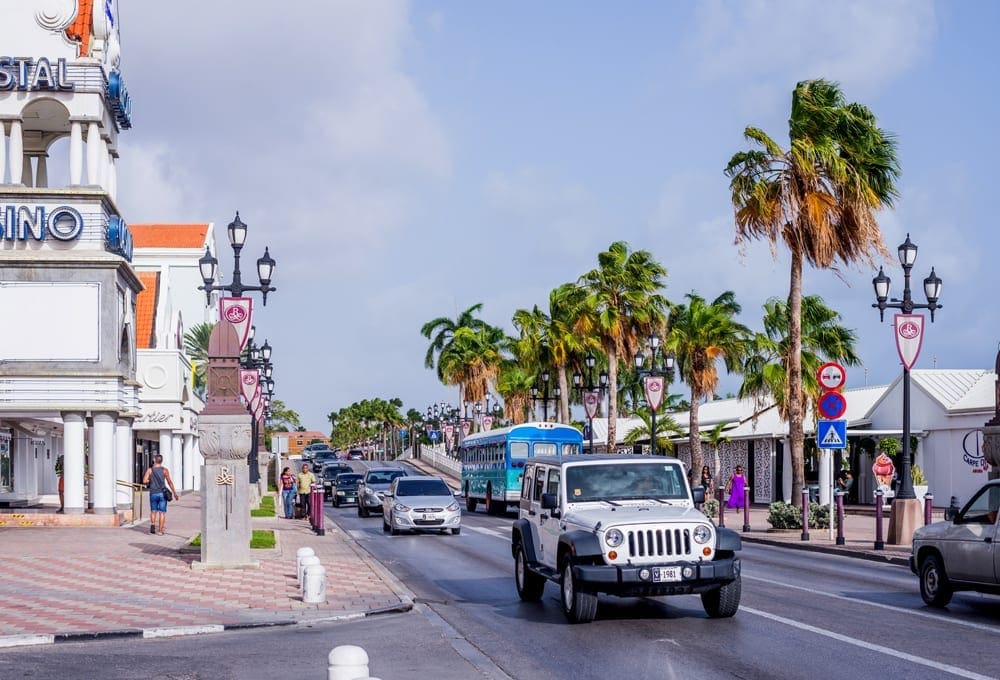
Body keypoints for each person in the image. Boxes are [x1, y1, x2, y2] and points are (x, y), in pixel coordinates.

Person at [142, 454, 178, 536]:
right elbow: (169, 482)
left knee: (153, 511)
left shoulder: (150, 470)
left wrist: (150, 479)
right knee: (162, 512)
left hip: (153, 493)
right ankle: (160, 531)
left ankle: (152, 525)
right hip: (162, 493)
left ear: (154, 460)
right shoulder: (165, 470)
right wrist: (174, 493)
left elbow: (144, 481)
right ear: (161, 461)